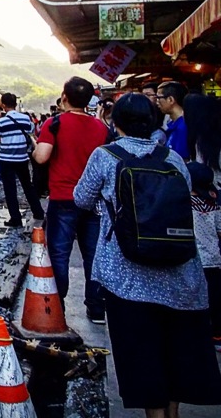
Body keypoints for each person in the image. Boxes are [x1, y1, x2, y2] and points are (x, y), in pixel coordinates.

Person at [74, 93, 221, 416]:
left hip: (127, 272)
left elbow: (81, 198)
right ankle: (172, 412)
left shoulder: (105, 156)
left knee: (140, 350)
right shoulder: (172, 158)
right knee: (175, 349)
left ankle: (154, 415)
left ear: (116, 122)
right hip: (180, 271)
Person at [33, 77, 110, 324]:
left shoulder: (54, 123)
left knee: (59, 254)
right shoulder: (100, 127)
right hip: (94, 200)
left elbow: (42, 157)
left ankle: (58, 307)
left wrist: (34, 149)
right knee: (93, 255)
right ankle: (96, 308)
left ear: (64, 97)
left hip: (63, 198)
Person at [0, 93, 45, 228]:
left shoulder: (1, 121)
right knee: (28, 186)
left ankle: (15, 219)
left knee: (10, 189)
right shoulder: (25, 119)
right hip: (22, 158)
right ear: (16, 104)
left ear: (3, 105)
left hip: (6, 159)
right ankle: (38, 212)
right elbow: (30, 132)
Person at [188, 162, 221, 351]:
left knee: (195, 299)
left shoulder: (185, 203)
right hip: (214, 260)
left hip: (194, 260)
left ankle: (197, 333)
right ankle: (217, 334)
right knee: (215, 298)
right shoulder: (213, 205)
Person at [157, 81, 189, 161]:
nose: (157, 102)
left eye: (159, 98)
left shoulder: (183, 127)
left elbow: (182, 160)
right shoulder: (173, 124)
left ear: (170, 100)